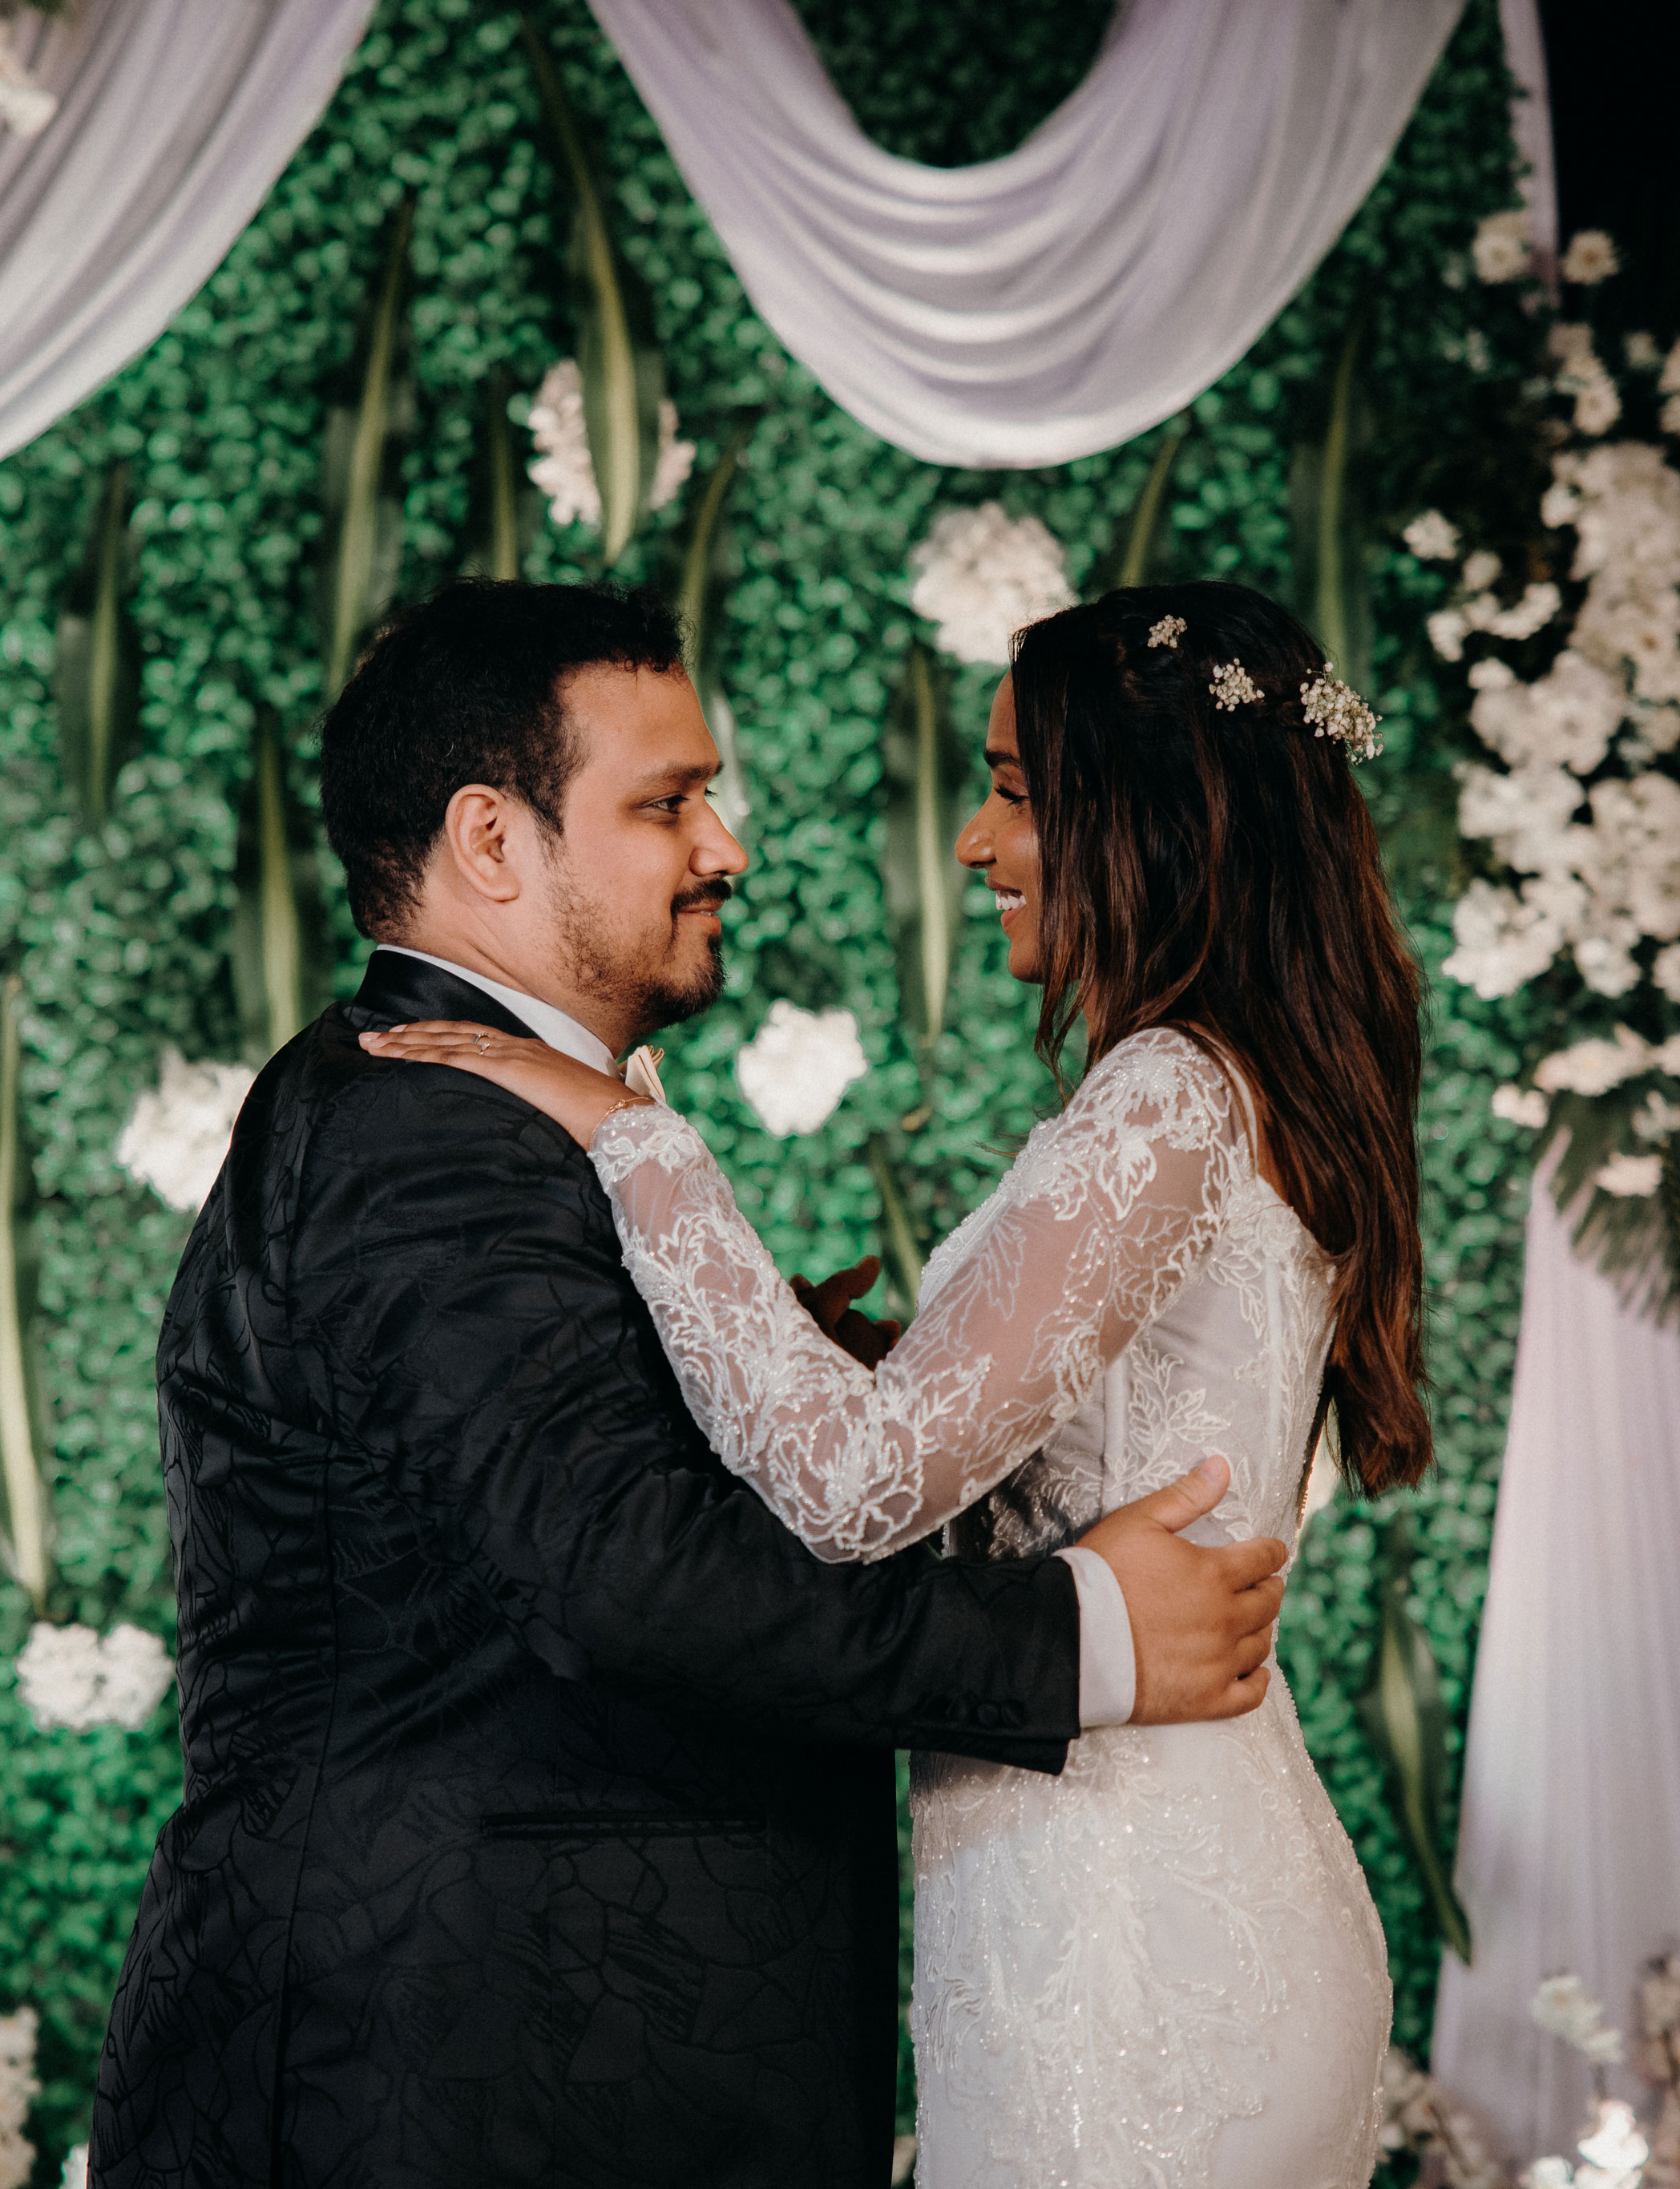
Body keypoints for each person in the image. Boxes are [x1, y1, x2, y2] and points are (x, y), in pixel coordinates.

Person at [91, 580, 1295, 2189]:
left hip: (555, 2068)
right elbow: (622, 1572)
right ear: (491, 840)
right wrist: (1080, 1635)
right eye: (666, 803)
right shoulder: (422, 1134)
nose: (724, 845)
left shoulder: (485, 1117)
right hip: (451, 2079)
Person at [372, 580, 1429, 2187]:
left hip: (1128, 1934)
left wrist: (633, 1135)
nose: (973, 843)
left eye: (1013, 793)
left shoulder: (1166, 1091)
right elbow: (988, 1445)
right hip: (1160, 1878)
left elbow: (855, 1488)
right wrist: (841, 1355)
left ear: (1147, 818)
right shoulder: (1247, 1083)